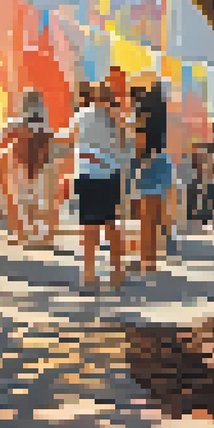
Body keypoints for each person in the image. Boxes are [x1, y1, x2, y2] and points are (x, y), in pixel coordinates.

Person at [69, 81, 127, 289]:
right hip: (109, 174)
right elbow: (123, 145)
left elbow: (71, 139)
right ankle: (117, 272)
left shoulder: (82, 115)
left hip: (86, 173)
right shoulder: (116, 118)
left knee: (88, 226)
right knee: (111, 224)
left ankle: (89, 274)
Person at [130, 81, 172, 275]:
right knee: (153, 218)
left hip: (148, 164)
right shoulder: (161, 112)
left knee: (146, 219)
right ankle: (151, 260)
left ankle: (145, 260)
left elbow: (140, 141)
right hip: (162, 161)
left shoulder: (143, 110)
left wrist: (134, 164)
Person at [3, 89, 53, 248]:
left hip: (21, 165)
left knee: (23, 202)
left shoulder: (16, 124)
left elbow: (4, 136)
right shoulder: (44, 128)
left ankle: (23, 234)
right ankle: (40, 234)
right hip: (38, 167)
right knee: (36, 202)